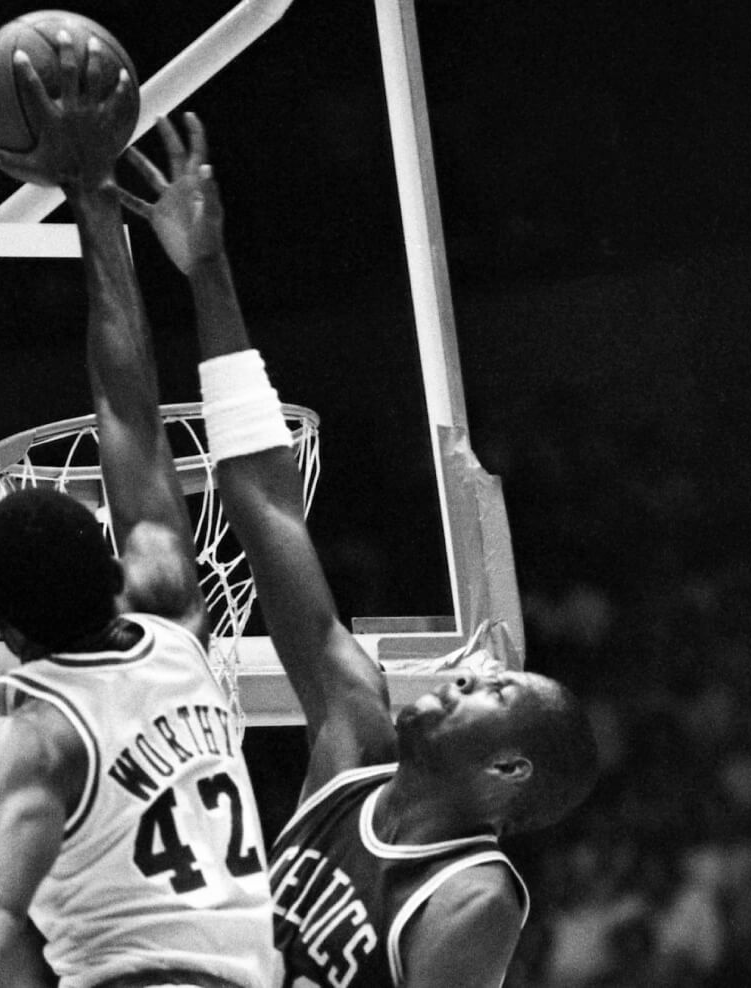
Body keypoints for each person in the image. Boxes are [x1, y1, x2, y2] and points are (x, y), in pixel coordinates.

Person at [119, 114, 600, 988]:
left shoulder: (473, 898)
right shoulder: (353, 744)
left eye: (495, 690)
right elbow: (267, 503)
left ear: (508, 768)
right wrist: (206, 269)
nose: (464, 674)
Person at [0, 36, 279, 988]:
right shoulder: (171, 613)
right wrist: (94, 202)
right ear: (116, 567)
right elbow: (128, 409)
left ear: (0, 628)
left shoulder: (34, 736)